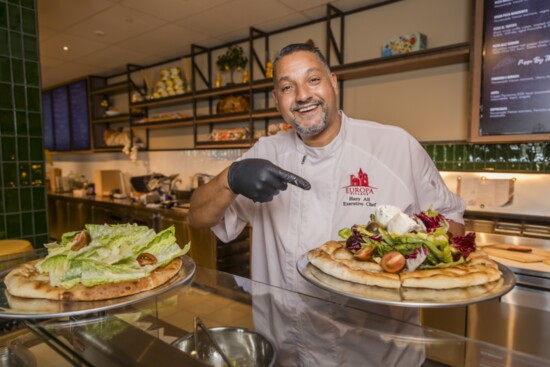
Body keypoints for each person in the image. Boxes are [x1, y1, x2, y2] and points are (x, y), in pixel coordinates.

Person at [188, 43, 466, 295]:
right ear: (277, 100)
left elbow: (452, 220)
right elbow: (198, 218)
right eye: (287, 87)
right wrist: (231, 179)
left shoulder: (395, 145)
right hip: (282, 338)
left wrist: (404, 251)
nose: (302, 95)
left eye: (313, 80)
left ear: (333, 83)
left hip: (372, 341)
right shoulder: (265, 152)